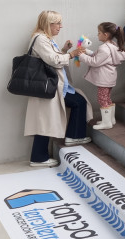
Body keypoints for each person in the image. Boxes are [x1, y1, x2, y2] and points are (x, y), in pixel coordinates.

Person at [25, 10, 94, 167]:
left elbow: (52, 57)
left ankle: (73, 136)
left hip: (54, 85)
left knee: (76, 102)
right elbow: (54, 60)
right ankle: (39, 158)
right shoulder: (40, 39)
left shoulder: (45, 39)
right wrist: (71, 54)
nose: (60, 26)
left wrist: (64, 50)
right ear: (49, 24)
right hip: (48, 86)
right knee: (45, 120)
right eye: (58, 23)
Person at [77, 22, 125, 130]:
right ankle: (110, 119)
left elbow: (95, 61)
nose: (97, 35)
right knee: (107, 98)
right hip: (109, 77)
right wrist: (86, 51)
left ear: (105, 34)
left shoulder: (104, 48)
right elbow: (98, 56)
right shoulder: (112, 45)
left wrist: (81, 56)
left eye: (99, 33)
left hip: (104, 78)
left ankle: (107, 123)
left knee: (102, 99)